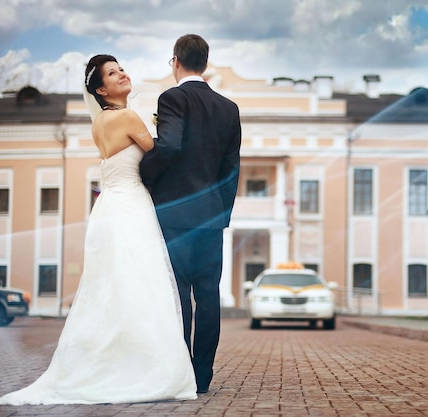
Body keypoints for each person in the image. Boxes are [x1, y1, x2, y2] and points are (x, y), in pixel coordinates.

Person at [0, 55, 198, 405]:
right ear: (101, 89)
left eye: (121, 69)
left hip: (108, 209)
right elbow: (158, 154)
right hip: (131, 206)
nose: (122, 74)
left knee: (113, 288)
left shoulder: (99, 122)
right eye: (113, 73)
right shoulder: (128, 117)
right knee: (141, 283)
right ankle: (144, 367)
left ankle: (116, 360)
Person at [139, 34, 241, 394]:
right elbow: (232, 170)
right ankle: (203, 377)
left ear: (176, 62)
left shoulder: (172, 98)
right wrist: (221, 214)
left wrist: (143, 174)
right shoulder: (229, 108)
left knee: (180, 293)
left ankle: (181, 371)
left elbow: (169, 145)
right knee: (209, 294)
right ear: (206, 61)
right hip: (211, 217)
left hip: (176, 214)